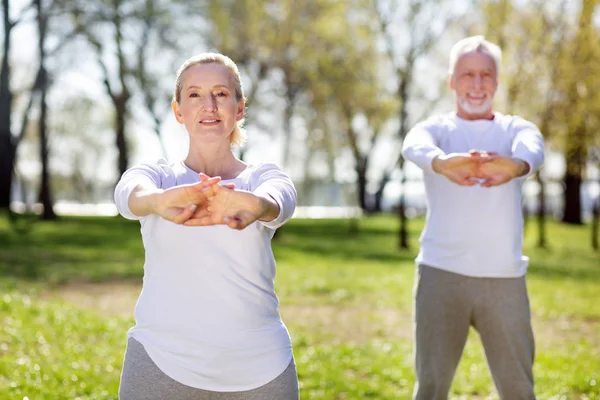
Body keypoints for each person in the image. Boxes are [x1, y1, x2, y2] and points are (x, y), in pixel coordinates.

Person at [114, 53, 299, 400]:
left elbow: (281, 200)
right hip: (160, 362)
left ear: (239, 109)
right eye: (195, 95)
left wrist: (254, 205)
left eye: (221, 94)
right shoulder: (160, 177)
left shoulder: (260, 177)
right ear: (178, 110)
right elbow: (128, 193)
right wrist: (157, 202)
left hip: (260, 370)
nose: (209, 105)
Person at [401, 36, 545, 400]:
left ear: (496, 82)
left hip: (504, 279)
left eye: (486, 75)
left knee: (518, 389)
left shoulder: (514, 129)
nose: (477, 84)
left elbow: (534, 148)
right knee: (431, 387)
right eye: (467, 75)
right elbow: (413, 144)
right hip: (440, 275)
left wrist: (514, 166)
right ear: (452, 80)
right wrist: (442, 164)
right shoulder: (438, 129)